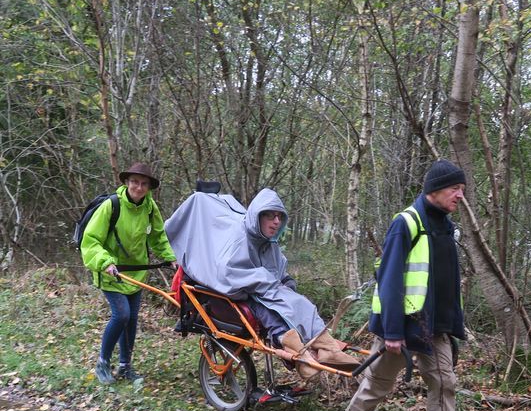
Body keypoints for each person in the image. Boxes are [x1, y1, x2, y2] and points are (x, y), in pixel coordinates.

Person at [330, 159, 469, 411]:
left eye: (462, 189)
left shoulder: (447, 228)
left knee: (445, 384)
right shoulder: (406, 223)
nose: (460, 195)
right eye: (454, 188)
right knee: (378, 382)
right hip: (403, 326)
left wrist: (452, 324)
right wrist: (393, 332)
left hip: (435, 327)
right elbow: (390, 281)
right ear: (435, 189)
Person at [164, 187, 360, 380]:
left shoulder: (269, 243)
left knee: (299, 303)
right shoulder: (240, 239)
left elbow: (278, 271)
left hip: (259, 291)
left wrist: (283, 284)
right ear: (257, 217)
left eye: (279, 217)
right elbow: (226, 274)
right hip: (238, 296)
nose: (276, 222)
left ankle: (327, 348)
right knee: (269, 308)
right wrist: (261, 282)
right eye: (270, 216)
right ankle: (301, 356)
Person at [81, 163, 177, 385]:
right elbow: (91, 240)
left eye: (144, 184)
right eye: (135, 182)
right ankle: (102, 363)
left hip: (136, 274)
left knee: (132, 319)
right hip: (111, 272)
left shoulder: (150, 207)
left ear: (149, 187)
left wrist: (169, 257)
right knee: (121, 315)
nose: (139, 187)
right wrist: (105, 262)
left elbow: (158, 237)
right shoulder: (111, 206)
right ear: (126, 182)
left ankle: (125, 366)